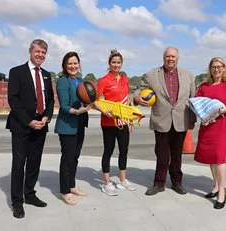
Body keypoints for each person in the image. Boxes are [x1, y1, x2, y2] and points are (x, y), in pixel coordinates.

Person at [134, 47, 196, 196]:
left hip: (181, 120)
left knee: (177, 154)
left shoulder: (188, 75)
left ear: (178, 58)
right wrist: (136, 98)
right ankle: (159, 183)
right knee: (162, 154)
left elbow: (193, 99)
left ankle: (177, 182)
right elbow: (139, 89)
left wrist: (192, 120)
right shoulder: (151, 75)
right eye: (168, 56)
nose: (170, 59)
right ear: (163, 58)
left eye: (173, 56)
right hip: (161, 120)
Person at [6, 39, 54, 218]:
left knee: (34, 163)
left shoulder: (47, 75)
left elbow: (50, 100)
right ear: (30, 51)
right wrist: (28, 122)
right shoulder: (16, 72)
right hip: (21, 126)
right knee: (19, 164)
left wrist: (46, 117)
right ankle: (17, 202)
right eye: (38, 51)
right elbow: (13, 100)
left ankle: (30, 194)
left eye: (43, 52)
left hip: (40, 125)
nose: (40, 55)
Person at [194, 57, 226, 209]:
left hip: (222, 125)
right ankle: (215, 186)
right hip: (208, 125)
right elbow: (196, 103)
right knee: (211, 157)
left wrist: (220, 111)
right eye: (214, 66)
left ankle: (222, 192)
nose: (216, 69)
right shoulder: (204, 86)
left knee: (219, 158)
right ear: (210, 68)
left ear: (224, 68)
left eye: (219, 66)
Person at [94, 50, 136, 196]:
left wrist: (130, 118)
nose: (116, 65)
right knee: (108, 151)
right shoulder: (103, 80)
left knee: (124, 150)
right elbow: (95, 100)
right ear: (109, 64)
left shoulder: (125, 79)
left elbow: (127, 100)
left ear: (121, 64)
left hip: (123, 121)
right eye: (114, 62)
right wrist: (104, 111)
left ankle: (123, 179)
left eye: (118, 62)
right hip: (108, 122)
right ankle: (106, 183)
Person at [54, 52, 92, 205]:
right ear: (65, 65)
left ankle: (72, 185)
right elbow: (63, 106)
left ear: (79, 64)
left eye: (75, 63)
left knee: (75, 158)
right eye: (69, 63)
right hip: (68, 125)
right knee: (67, 159)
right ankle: (65, 191)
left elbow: (90, 98)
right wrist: (77, 111)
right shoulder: (63, 81)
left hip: (80, 124)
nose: (73, 66)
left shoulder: (81, 81)